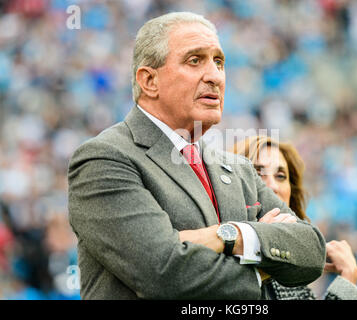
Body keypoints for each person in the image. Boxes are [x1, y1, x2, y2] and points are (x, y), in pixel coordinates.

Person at [67, 12, 326, 300]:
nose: (215, 76)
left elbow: (311, 249)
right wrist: (260, 269)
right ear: (149, 80)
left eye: (219, 62)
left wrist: (232, 235)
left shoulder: (237, 168)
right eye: (195, 60)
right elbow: (163, 271)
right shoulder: (104, 158)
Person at [231, 136, 357, 300]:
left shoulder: (291, 282)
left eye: (280, 176)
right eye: (257, 174)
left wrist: (347, 280)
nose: (272, 186)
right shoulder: (215, 258)